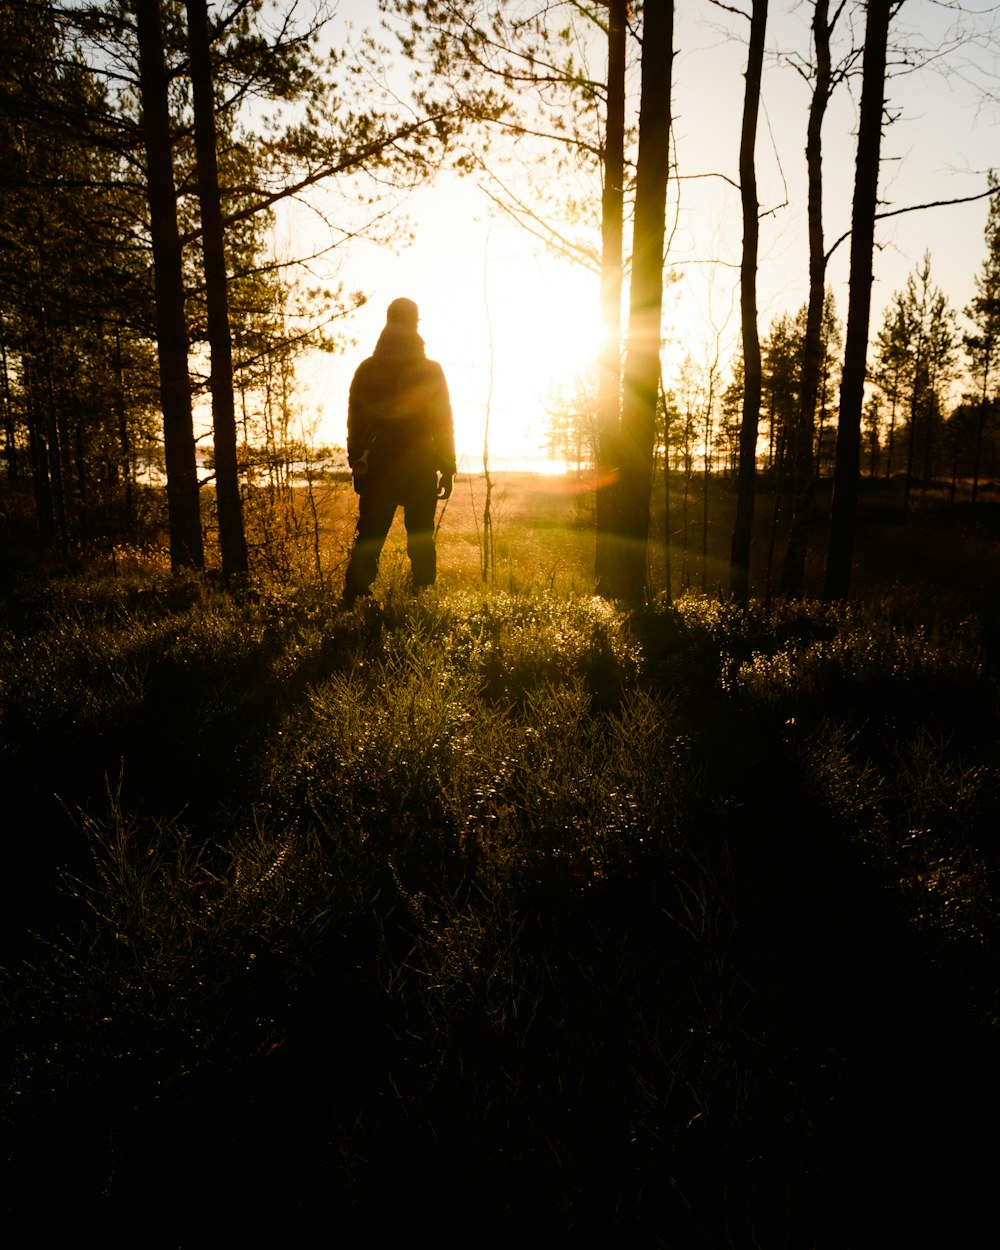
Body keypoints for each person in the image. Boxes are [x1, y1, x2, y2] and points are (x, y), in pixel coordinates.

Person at [342, 297, 457, 603]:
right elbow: (443, 421)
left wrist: (358, 461)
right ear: (415, 324)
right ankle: (422, 598)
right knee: (420, 538)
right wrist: (447, 467)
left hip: (379, 465)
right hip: (420, 465)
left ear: (388, 322)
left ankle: (353, 599)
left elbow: (355, 420)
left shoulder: (367, 369)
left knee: (369, 537)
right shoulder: (431, 370)